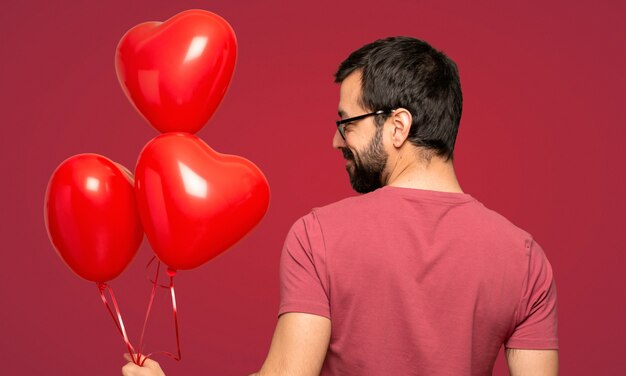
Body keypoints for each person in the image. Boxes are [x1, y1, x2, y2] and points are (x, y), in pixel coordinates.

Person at [122, 36, 558, 376]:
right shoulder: (525, 259)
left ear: (397, 126)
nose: (335, 140)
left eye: (347, 122)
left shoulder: (319, 237)